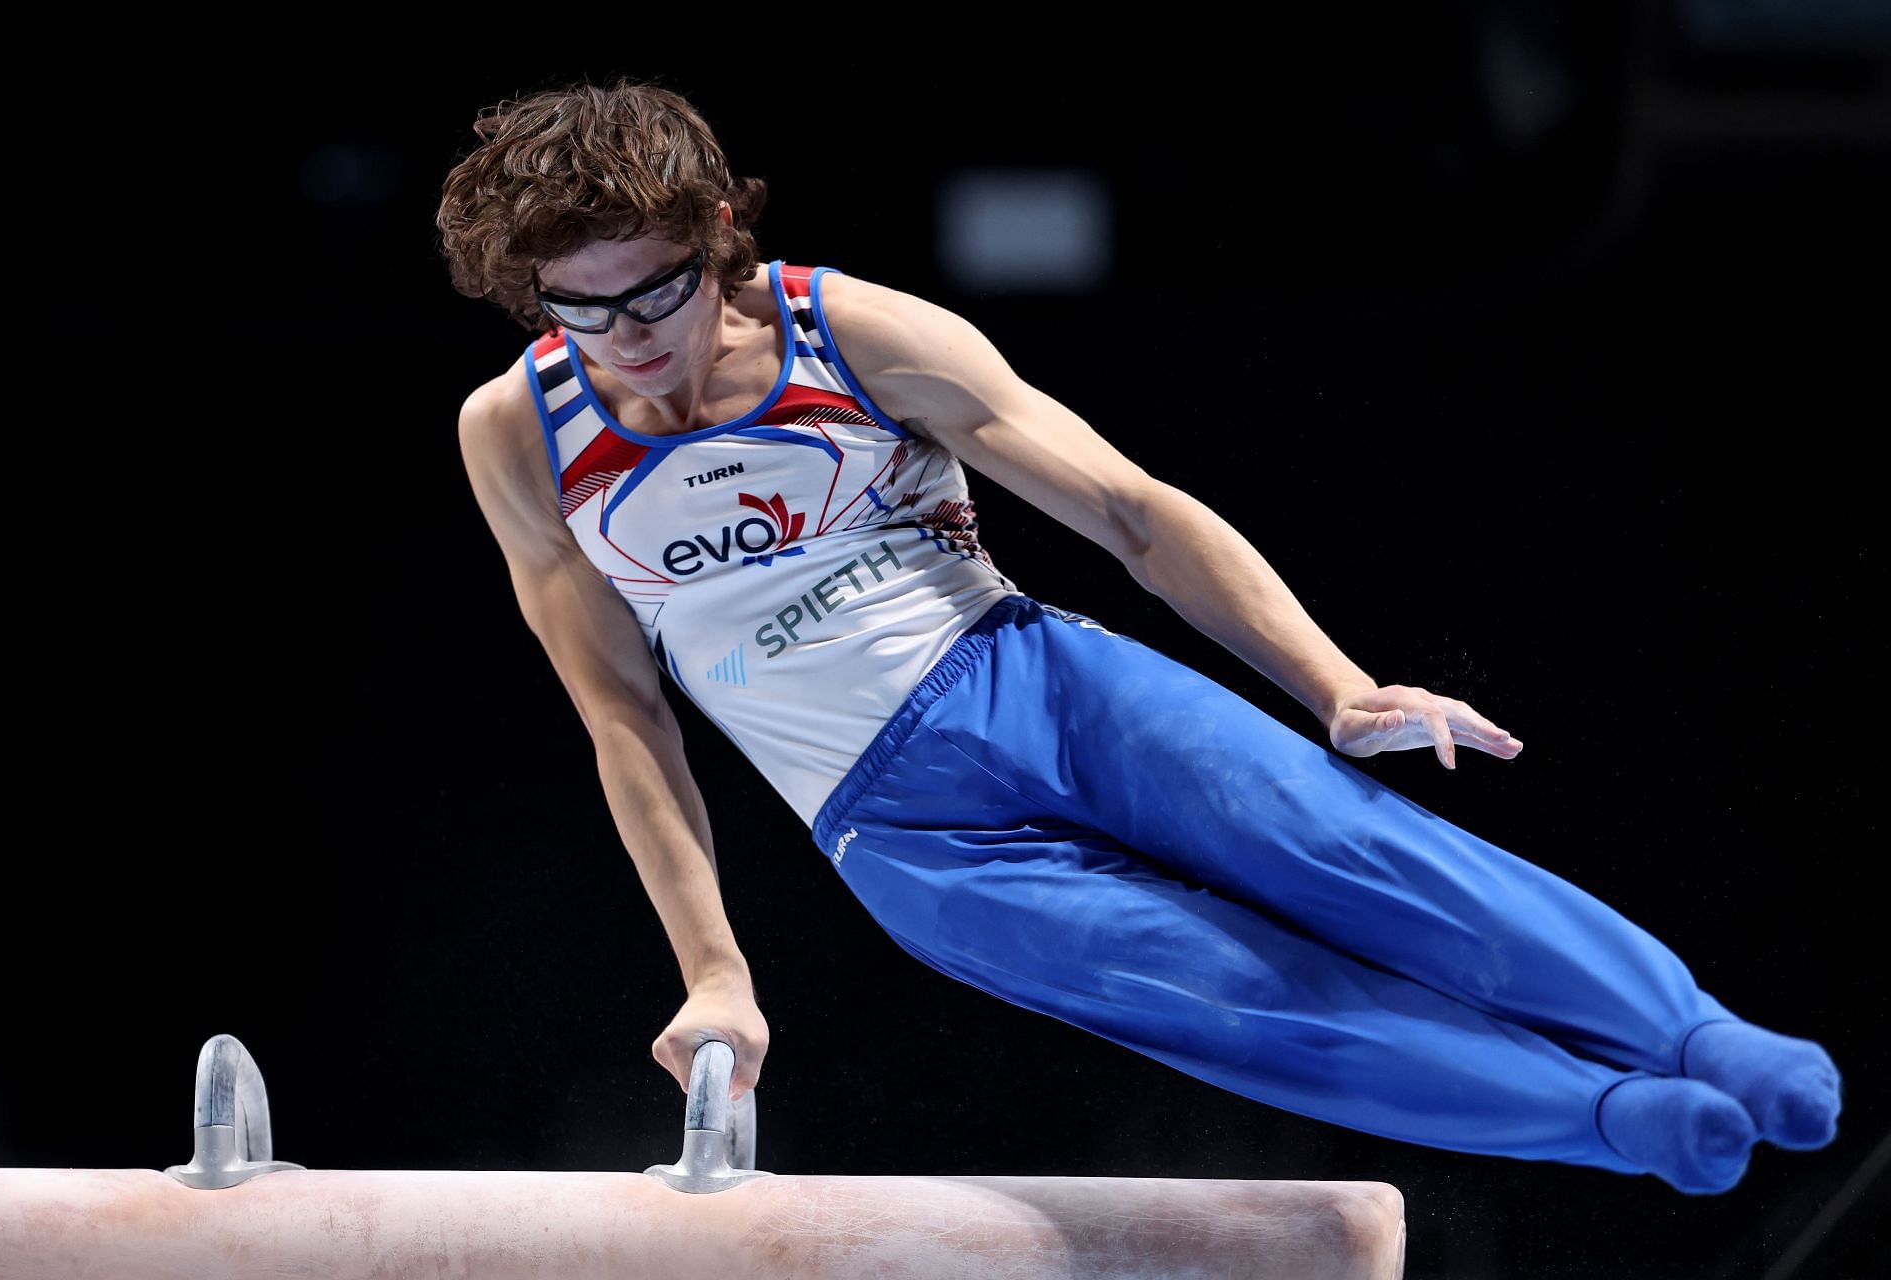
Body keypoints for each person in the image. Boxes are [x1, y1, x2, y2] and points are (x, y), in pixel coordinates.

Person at [435, 77, 1840, 1196]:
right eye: (583, 305)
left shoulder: (843, 330)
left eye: (657, 288)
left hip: (1036, 681)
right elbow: (625, 715)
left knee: (1353, 849)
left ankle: (1695, 1032)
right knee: (1250, 1009)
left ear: (716, 240)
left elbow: (1132, 510)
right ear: (532, 294)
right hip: (897, 836)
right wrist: (716, 971)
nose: (625, 334)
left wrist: (1334, 688)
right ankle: (1617, 1114)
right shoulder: (518, 433)